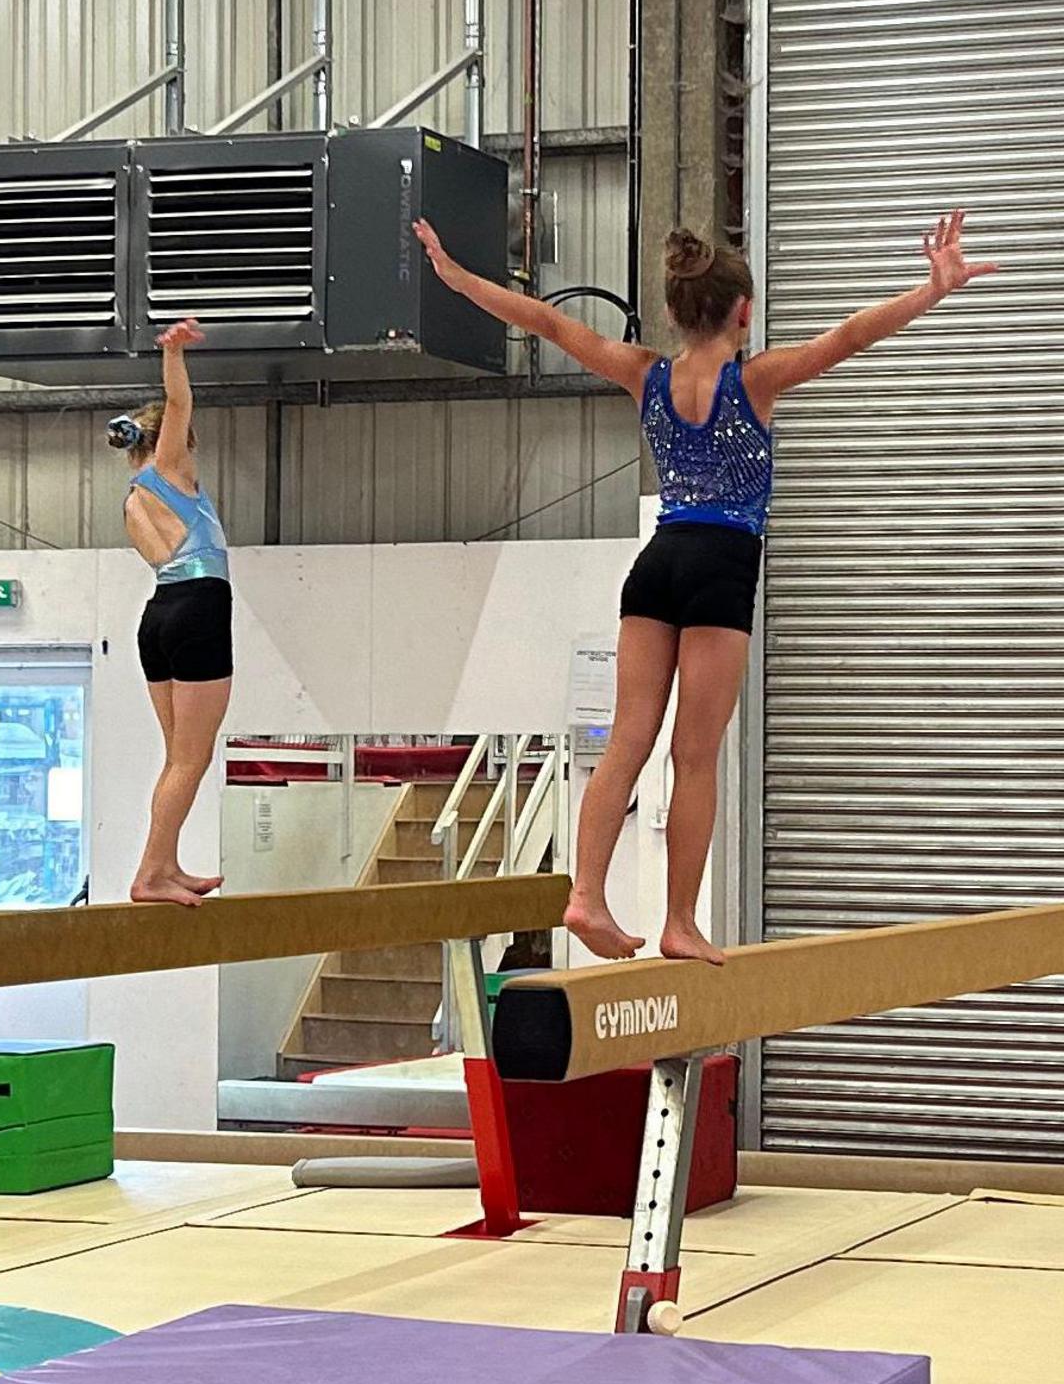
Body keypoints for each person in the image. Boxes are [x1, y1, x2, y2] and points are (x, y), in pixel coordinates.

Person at [413, 210, 996, 961]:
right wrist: (930, 291)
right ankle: (679, 921)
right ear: (743, 312)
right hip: (722, 566)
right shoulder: (755, 379)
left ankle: (586, 894)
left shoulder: (645, 373)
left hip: (658, 562)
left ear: (678, 311)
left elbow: (550, 325)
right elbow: (848, 337)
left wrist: (457, 277)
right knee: (695, 753)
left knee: (628, 736)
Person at [115, 314, 232, 907]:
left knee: (178, 758)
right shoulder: (170, 470)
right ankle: (151, 874)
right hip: (199, 609)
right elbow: (178, 401)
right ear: (172, 440)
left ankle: (163, 863)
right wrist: (175, 352)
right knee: (195, 756)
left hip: (158, 615)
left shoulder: (134, 495)